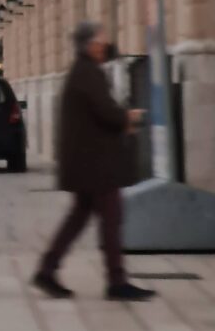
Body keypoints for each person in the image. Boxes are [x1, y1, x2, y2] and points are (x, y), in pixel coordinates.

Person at [33, 21, 155, 303]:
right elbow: (107, 112)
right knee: (111, 219)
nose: (103, 47)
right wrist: (129, 117)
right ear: (90, 45)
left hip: (87, 162)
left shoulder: (83, 71)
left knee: (79, 218)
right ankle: (116, 281)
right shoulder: (88, 73)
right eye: (100, 42)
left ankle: (47, 269)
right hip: (95, 164)